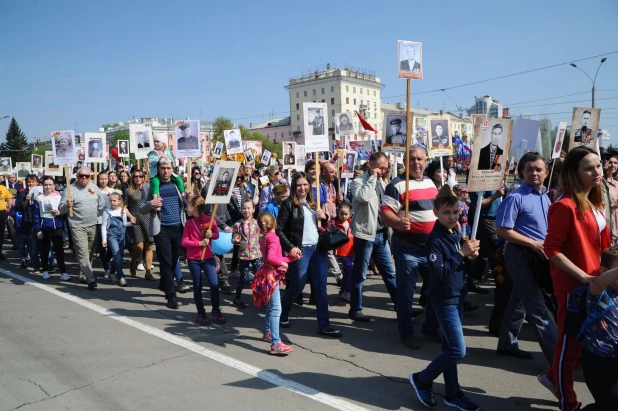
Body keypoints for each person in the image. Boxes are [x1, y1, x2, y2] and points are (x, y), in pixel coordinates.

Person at [543, 146, 610, 411]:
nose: (597, 172)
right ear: (575, 173)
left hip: (595, 284)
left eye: (598, 165)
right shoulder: (564, 206)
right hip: (574, 288)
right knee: (568, 348)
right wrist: (582, 275)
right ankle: (566, 399)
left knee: (582, 346)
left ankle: (552, 378)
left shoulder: (594, 201)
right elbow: (551, 249)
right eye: (589, 168)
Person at [410, 185, 481, 410]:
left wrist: (470, 255)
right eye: (446, 212)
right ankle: (422, 379)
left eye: (455, 212)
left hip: (457, 295)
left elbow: (460, 264)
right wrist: (461, 253)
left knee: (448, 348)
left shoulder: (455, 232)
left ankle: (452, 392)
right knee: (457, 350)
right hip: (444, 299)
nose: (452, 216)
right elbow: (439, 272)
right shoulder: (435, 239)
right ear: (436, 213)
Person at [495, 152, 558, 367]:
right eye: (529, 169)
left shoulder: (545, 197)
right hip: (521, 256)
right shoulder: (515, 197)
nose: (534, 173)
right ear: (522, 171)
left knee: (519, 300)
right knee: (539, 310)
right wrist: (532, 243)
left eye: (539, 169)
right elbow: (502, 230)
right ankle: (559, 362)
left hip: (539, 257)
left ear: (546, 172)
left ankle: (506, 343)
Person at [380, 146, 439, 348]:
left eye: (420, 159)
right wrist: (397, 223)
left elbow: (437, 209)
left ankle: (430, 328)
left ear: (426, 161)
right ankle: (407, 333)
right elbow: (385, 212)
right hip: (408, 248)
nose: (416, 162)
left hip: (431, 248)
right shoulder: (396, 185)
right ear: (405, 162)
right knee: (406, 293)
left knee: (436, 289)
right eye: (412, 159)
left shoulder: (431, 182)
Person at [276, 172, 341, 337]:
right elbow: (279, 229)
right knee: (298, 286)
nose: (302, 188)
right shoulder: (288, 204)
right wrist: (290, 247)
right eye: (299, 185)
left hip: (317, 250)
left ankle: (324, 325)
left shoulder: (314, 203)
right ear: (294, 187)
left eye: (305, 184)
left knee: (321, 288)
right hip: (300, 251)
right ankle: (282, 313)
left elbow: (324, 224)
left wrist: (324, 216)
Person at [349, 152, 397, 322]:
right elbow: (362, 197)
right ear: (370, 165)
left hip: (382, 235)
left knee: (390, 273)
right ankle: (355, 309)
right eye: (380, 167)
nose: (383, 170)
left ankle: (401, 307)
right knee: (360, 274)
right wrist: (372, 179)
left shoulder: (382, 183)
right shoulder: (358, 182)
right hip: (365, 235)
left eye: (385, 167)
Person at [139, 157, 188, 309]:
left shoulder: (177, 183)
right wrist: (150, 204)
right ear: (158, 169)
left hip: (178, 227)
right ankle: (171, 295)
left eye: (168, 168)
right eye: (163, 168)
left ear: (172, 168)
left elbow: (187, 204)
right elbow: (140, 209)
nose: (166, 171)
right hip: (162, 228)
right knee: (166, 262)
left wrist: (189, 198)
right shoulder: (149, 186)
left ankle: (164, 283)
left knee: (174, 261)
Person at [580, 246, 618, 410]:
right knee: (609, 404)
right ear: (604, 270)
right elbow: (598, 283)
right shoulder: (601, 292)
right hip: (599, 361)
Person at [253, 212, 293, 355]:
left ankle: (267, 332)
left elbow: (273, 257)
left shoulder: (264, 237)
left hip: (266, 273)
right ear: (274, 223)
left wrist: (289, 258)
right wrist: (283, 262)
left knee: (270, 307)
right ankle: (276, 343)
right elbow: (272, 258)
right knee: (276, 309)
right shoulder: (274, 238)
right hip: (271, 276)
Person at [59, 167, 106, 289]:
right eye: (81, 176)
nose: (84, 178)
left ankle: (83, 274)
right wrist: (67, 205)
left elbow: (101, 203)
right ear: (77, 176)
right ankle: (91, 278)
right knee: (82, 252)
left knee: (90, 252)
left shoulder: (93, 187)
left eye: (87, 176)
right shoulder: (69, 190)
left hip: (92, 224)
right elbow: (61, 209)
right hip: (77, 226)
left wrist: (99, 214)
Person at [182, 195, 225, 325]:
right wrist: (198, 243)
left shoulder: (210, 220)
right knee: (197, 285)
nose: (187, 207)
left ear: (195, 207)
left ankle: (216, 309)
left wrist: (212, 235)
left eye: (189, 205)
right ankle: (201, 312)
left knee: (214, 283)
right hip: (194, 259)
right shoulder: (189, 223)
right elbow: (184, 241)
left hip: (207, 258)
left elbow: (217, 235)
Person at [33, 176, 69, 281]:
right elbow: (35, 215)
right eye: (45, 185)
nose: (48, 187)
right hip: (44, 227)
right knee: (45, 250)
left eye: (50, 184)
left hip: (57, 226)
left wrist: (60, 213)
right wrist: (38, 229)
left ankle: (63, 272)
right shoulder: (38, 198)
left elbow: (64, 211)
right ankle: (45, 270)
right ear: (42, 186)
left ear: (54, 185)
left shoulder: (59, 197)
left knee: (59, 250)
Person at [124, 170, 156, 281]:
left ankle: (148, 272)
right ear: (132, 178)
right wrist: (130, 216)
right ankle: (133, 263)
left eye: (140, 176)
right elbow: (124, 206)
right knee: (139, 247)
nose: (138, 178)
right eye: (136, 176)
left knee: (149, 246)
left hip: (148, 219)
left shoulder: (149, 189)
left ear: (144, 177)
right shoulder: (129, 191)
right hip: (136, 220)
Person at [231, 199, 262, 309]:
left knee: (260, 276)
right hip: (243, 255)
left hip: (256, 255)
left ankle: (260, 297)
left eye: (249, 208)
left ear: (253, 209)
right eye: (244, 208)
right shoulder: (237, 224)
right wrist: (236, 240)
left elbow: (262, 238)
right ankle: (237, 298)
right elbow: (234, 241)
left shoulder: (258, 223)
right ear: (241, 209)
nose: (246, 210)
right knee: (242, 278)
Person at [12, 174, 40, 271]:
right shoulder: (22, 194)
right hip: (27, 222)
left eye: (33, 181)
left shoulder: (42, 193)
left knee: (39, 245)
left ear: (37, 183)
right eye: (29, 181)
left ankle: (43, 262)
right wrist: (26, 201)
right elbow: (17, 208)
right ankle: (34, 262)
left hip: (40, 222)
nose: (31, 183)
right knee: (31, 244)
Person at [101, 192, 129, 286]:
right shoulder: (107, 212)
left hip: (121, 236)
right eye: (111, 201)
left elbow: (124, 223)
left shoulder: (122, 210)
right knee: (117, 256)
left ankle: (112, 272)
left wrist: (133, 223)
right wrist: (104, 240)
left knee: (119, 256)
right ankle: (121, 276)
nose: (112, 203)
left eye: (114, 201)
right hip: (111, 236)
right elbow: (104, 226)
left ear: (119, 201)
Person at [334, 201, 354, 302]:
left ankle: (342, 291)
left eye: (346, 214)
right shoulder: (335, 225)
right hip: (341, 252)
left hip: (350, 251)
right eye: (341, 214)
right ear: (338, 213)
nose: (343, 216)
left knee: (347, 271)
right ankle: (347, 291)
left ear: (350, 213)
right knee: (350, 268)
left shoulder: (352, 223)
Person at [602, 153, 618, 245]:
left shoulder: (616, 183)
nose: (613, 165)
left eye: (615, 163)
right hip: (608, 220)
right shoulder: (601, 183)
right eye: (610, 162)